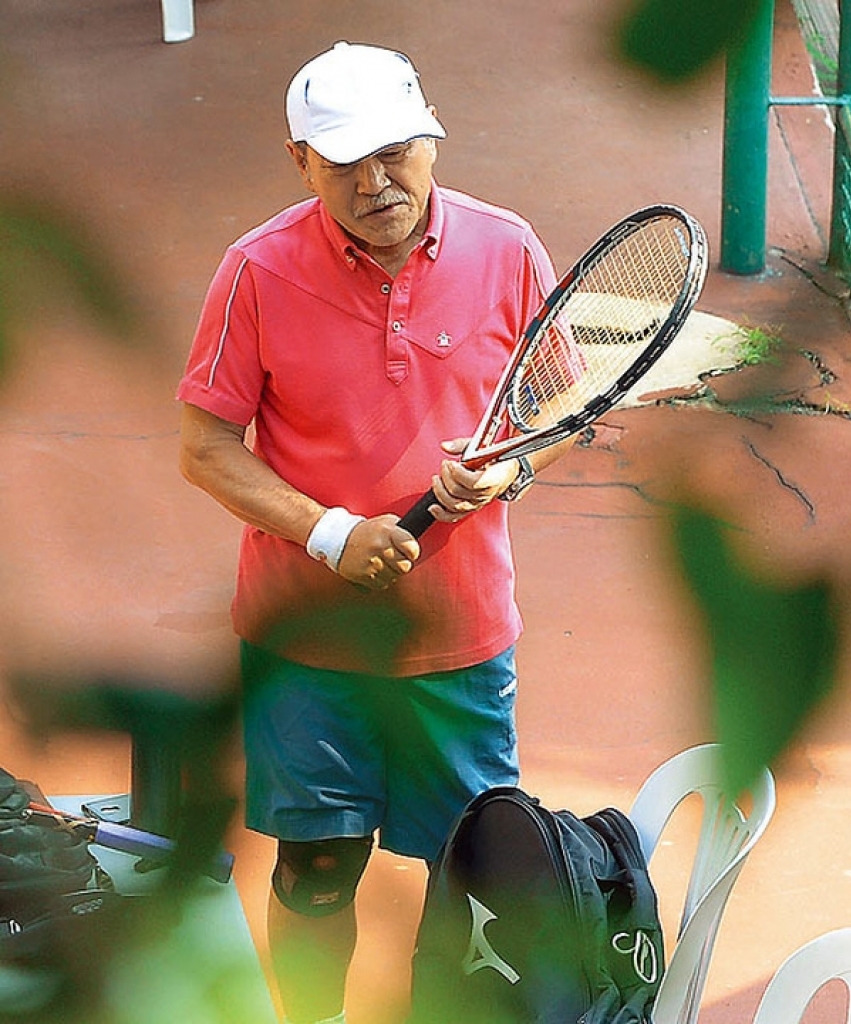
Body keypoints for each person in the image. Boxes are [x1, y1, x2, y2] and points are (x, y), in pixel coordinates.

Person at [177, 41, 573, 1024]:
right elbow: (205, 447)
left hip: (460, 639)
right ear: (299, 162)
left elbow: (561, 408)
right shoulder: (255, 271)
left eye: (394, 152)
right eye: (344, 161)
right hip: (306, 639)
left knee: (474, 876)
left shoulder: (508, 250)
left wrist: (508, 469)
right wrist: (328, 535)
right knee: (314, 871)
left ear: (431, 141)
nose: (375, 182)